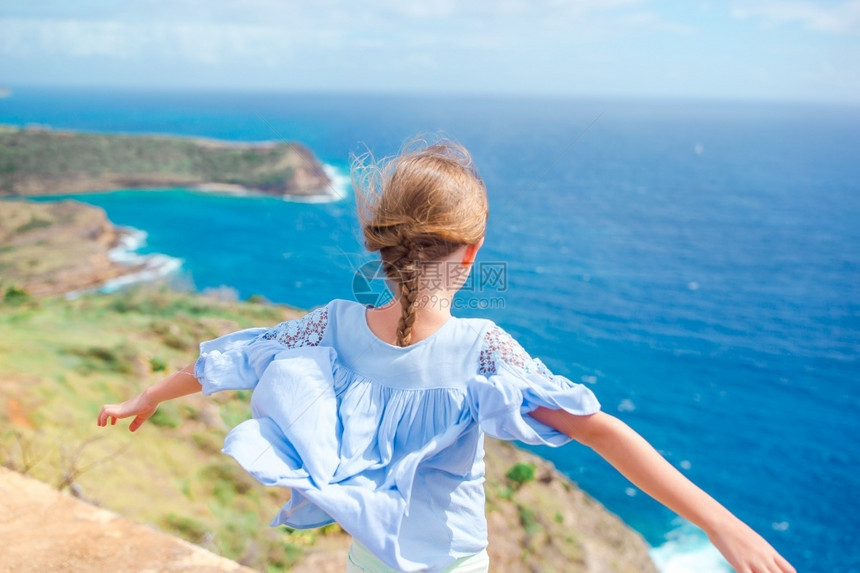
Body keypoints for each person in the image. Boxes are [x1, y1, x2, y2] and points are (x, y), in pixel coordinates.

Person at [98, 139, 795, 573]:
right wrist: (721, 523)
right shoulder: (481, 350)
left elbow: (229, 360)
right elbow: (599, 428)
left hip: (368, 561)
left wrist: (147, 397)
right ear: (472, 252)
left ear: (380, 243)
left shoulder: (331, 328)